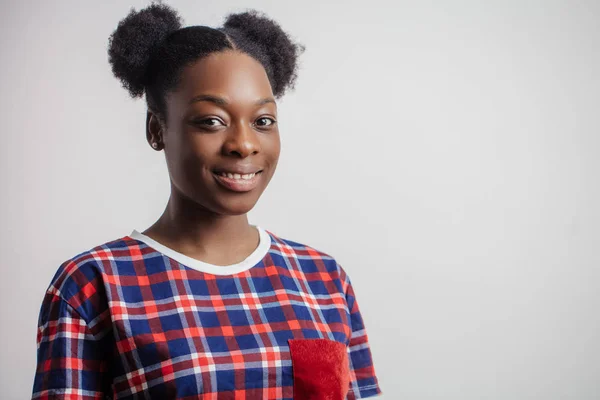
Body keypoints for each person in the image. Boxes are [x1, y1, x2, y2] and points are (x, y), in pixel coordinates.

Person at [32, 3, 381, 399]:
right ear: (156, 129)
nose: (244, 144)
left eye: (262, 121)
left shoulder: (323, 279)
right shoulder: (93, 286)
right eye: (212, 121)